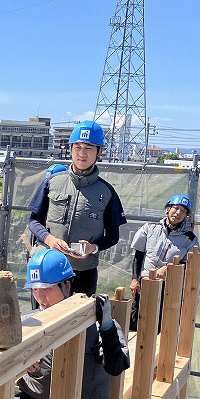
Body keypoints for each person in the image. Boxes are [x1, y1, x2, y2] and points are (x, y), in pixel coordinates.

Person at [10, 249, 130, 399]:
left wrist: (106, 328)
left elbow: (116, 366)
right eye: (35, 290)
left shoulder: (94, 323)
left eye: (46, 289)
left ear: (67, 285)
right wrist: (18, 367)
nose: (40, 297)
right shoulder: (31, 322)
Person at [27, 120, 126, 295]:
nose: (82, 153)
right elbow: (34, 221)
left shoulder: (107, 192)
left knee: (79, 320)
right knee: (45, 319)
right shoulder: (53, 182)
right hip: (48, 268)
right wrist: (50, 240)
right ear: (71, 149)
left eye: (88, 148)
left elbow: (113, 235)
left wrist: (93, 248)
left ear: (98, 152)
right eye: (77, 147)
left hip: (83, 272)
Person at [129, 194, 197, 331]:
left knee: (160, 325)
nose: (178, 213)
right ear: (167, 209)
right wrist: (135, 279)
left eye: (183, 211)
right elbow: (138, 255)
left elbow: (190, 264)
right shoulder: (149, 228)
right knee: (135, 321)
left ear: (186, 216)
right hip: (144, 282)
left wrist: (169, 268)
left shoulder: (190, 239)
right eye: (176, 208)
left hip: (169, 287)